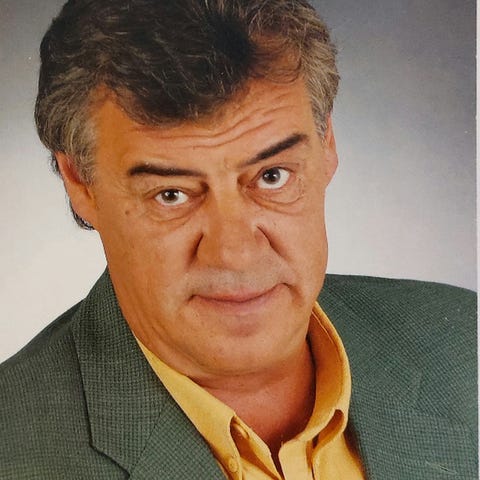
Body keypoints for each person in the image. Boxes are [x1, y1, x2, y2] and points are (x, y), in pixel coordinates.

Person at [0, 0, 476, 478]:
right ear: (80, 182)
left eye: (271, 175)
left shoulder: (464, 342)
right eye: (171, 194)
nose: (236, 254)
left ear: (326, 144)